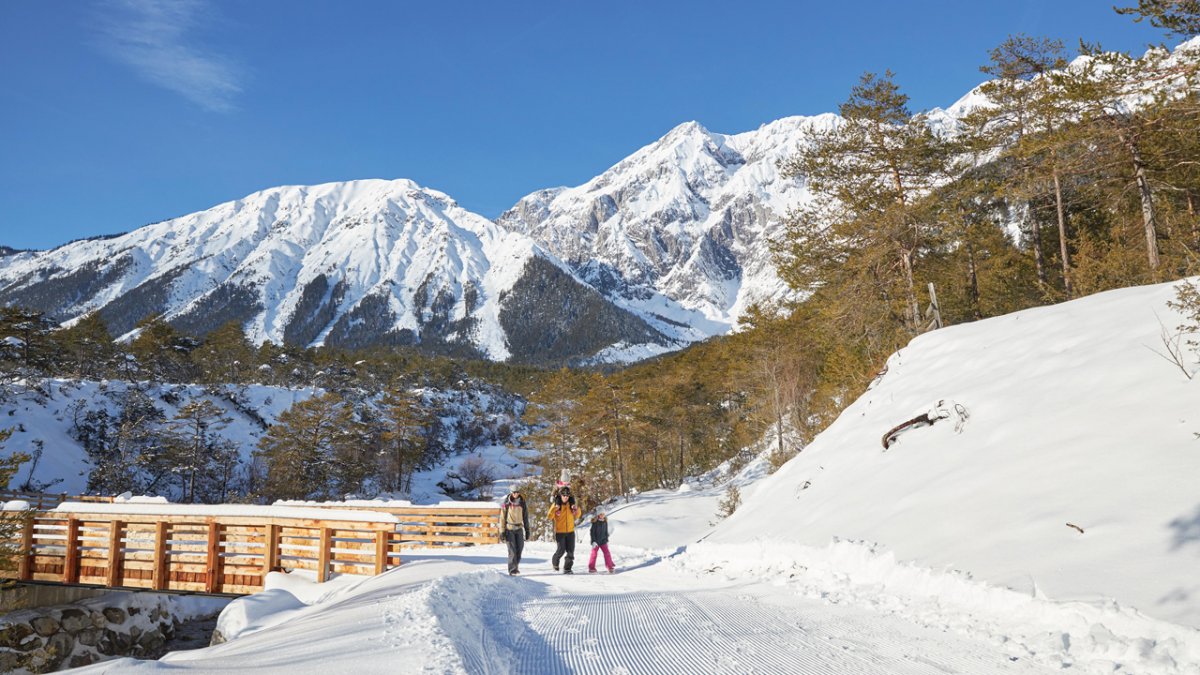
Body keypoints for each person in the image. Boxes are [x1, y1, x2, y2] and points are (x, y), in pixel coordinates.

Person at [547, 487, 581, 574]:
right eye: (564, 495)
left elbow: (577, 516)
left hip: (570, 532)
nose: (565, 497)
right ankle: (555, 562)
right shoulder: (556, 505)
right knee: (561, 550)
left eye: (567, 495)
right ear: (560, 495)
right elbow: (549, 516)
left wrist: (576, 509)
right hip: (560, 532)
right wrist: (554, 508)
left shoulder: (571, 504)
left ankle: (567, 568)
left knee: (570, 552)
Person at [501, 489, 531, 575]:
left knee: (520, 549)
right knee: (512, 551)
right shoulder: (506, 503)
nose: (516, 494)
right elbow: (502, 518)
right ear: (511, 493)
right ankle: (512, 570)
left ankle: (515, 566)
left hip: (519, 529)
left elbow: (525, 517)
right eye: (514, 492)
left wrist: (527, 530)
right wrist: (502, 531)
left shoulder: (522, 502)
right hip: (509, 529)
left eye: (517, 492)